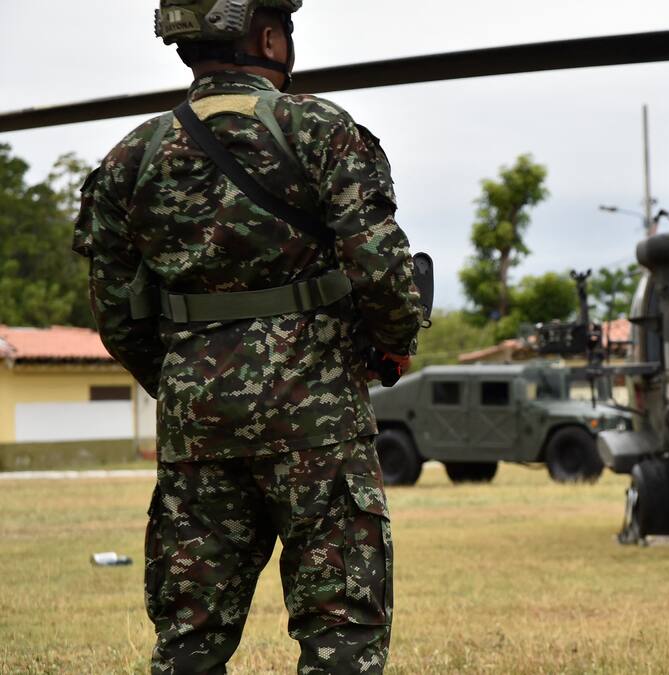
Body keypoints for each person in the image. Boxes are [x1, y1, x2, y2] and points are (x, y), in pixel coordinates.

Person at [72, 1, 423, 672]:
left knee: (189, 641)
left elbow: (117, 318)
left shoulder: (130, 157)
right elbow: (381, 268)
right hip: (317, 427)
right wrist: (393, 343)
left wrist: (187, 381)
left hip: (197, 430)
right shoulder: (320, 130)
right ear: (268, 36)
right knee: (341, 633)